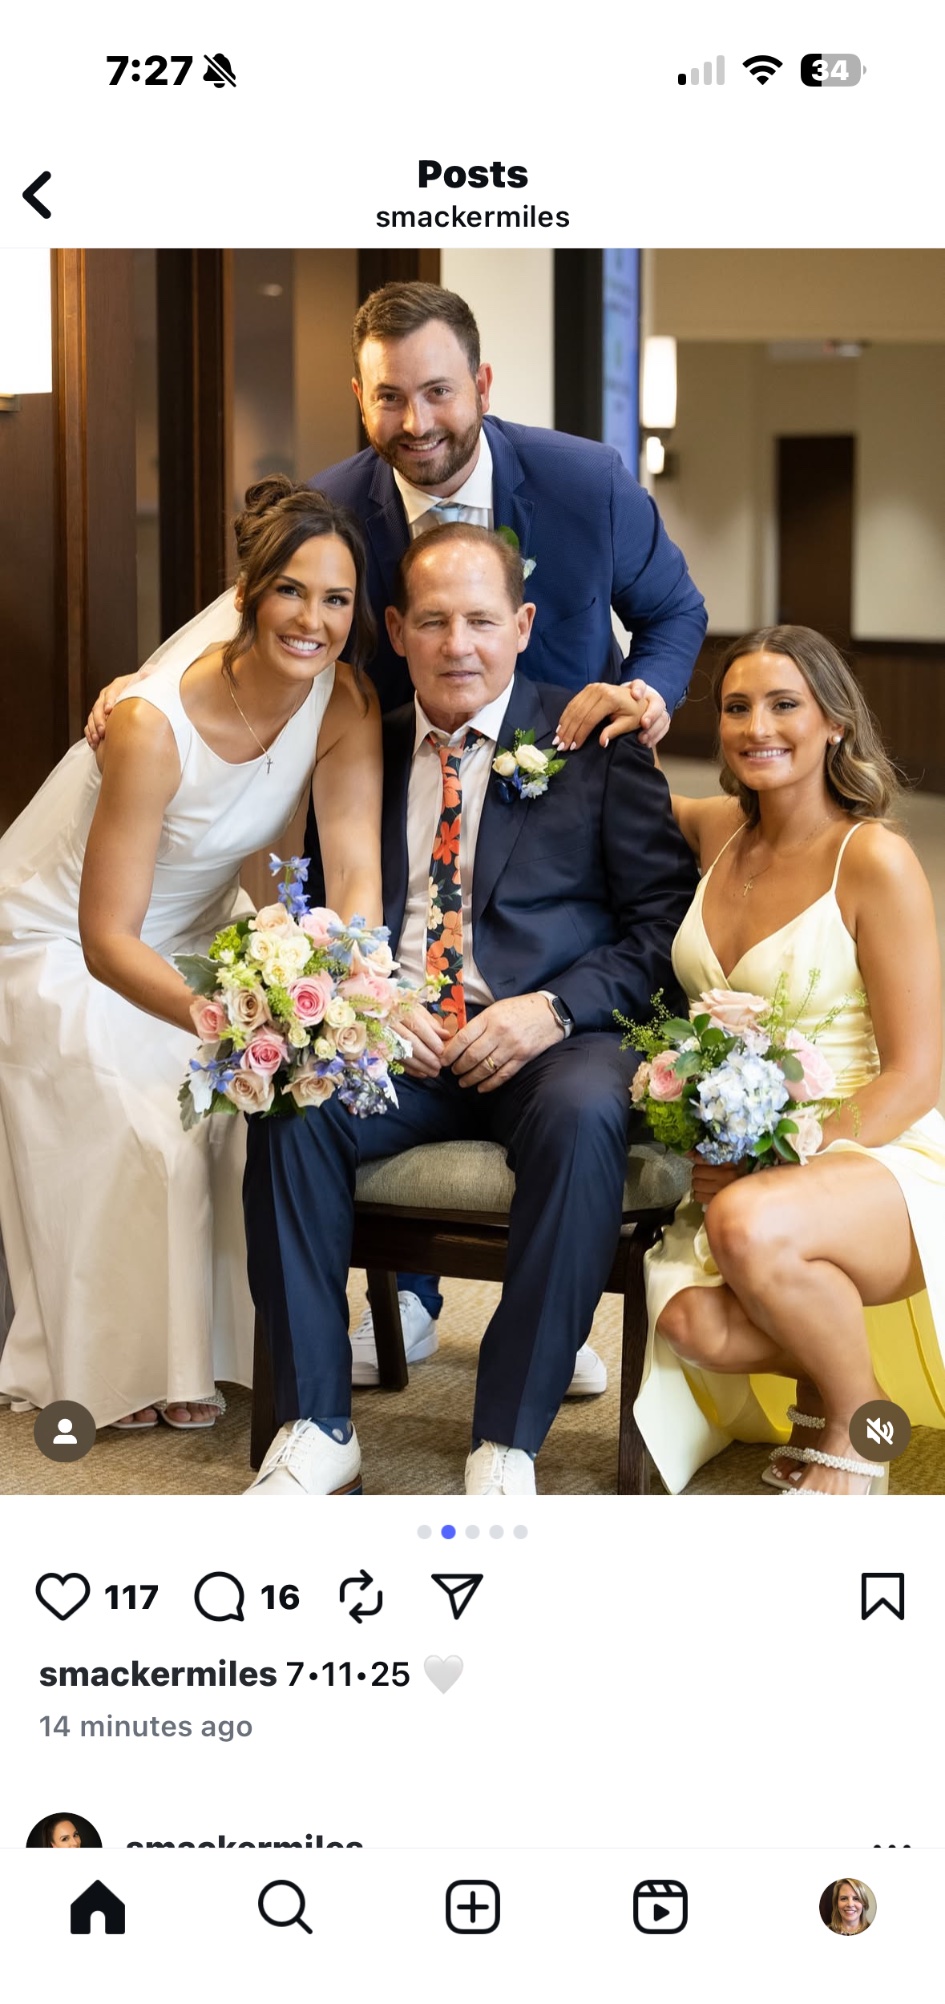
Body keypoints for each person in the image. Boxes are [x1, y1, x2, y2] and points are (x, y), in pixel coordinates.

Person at [85, 278, 707, 1393]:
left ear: (481, 383)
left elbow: (674, 613)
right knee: (331, 1073)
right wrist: (144, 683)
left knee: (566, 1089)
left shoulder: (583, 481)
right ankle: (397, 1312)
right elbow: (260, 619)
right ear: (359, 398)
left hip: (558, 789)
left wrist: (643, 702)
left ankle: (542, 1320)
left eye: (437, 392)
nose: (416, 421)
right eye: (388, 398)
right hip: (396, 799)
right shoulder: (333, 505)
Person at [242, 523, 698, 1497]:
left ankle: (507, 1438)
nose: (459, 645)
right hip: (399, 1046)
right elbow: (318, 906)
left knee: (585, 1111)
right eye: (434, 621)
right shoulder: (357, 746)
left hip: (551, 1044)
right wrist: (370, 1001)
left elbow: (664, 927)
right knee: (289, 1099)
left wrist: (553, 1009)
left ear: (522, 624)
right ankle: (316, 1422)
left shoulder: (593, 743)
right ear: (396, 628)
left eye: (482, 621)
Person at [0, 479, 382, 1435]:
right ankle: (127, 1361)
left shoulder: (344, 701)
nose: (314, 621)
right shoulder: (149, 724)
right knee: (156, 1115)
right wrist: (224, 1019)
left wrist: (338, 980)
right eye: (291, 591)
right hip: (65, 938)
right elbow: (106, 937)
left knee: (263, 1111)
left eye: (336, 599)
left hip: (207, 930)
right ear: (247, 594)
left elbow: (352, 871)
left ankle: (227, 1347)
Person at [583, 625, 945, 1495]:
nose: (757, 728)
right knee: (689, 1325)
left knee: (745, 1224)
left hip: (873, 1149)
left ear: (833, 722)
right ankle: (831, 1380)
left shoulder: (874, 859)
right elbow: (617, 789)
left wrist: (787, 1155)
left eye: (784, 705)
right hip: (742, 1166)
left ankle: (861, 1433)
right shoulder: (716, 833)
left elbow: (916, 1073)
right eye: (737, 707)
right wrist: (624, 705)